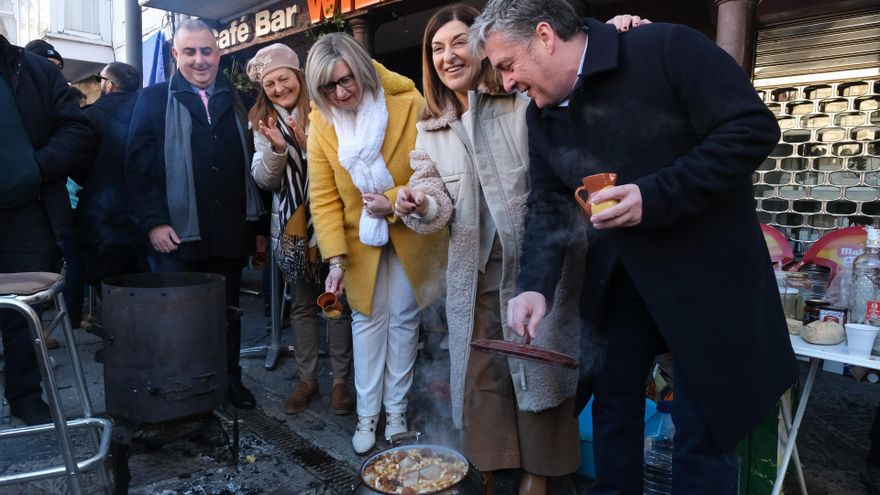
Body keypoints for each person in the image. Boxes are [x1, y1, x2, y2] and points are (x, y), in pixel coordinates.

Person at [471, 1, 799, 493]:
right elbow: (548, 204)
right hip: (618, 286)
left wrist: (653, 196)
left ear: (544, 36)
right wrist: (534, 285)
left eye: (507, 65)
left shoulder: (665, 48)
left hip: (706, 279)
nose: (507, 82)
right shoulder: (542, 117)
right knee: (613, 415)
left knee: (703, 432)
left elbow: (751, 128)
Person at [395, 7, 648, 494]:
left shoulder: (523, 100)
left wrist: (618, 33)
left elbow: (557, 173)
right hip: (473, 269)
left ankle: (541, 473)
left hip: (536, 262)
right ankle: (490, 466)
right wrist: (420, 201)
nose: (449, 56)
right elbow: (433, 194)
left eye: (459, 42)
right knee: (481, 369)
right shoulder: (432, 127)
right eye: (437, 48)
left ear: (485, 48)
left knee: (538, 367)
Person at [304, 33, 447, 454]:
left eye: (346, 80)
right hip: (357, 240)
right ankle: (368, 415)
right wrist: (334, 260)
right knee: (366, 321)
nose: (340, 93)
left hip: (409, 230)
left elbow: (430, 173)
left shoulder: (408, 102)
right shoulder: (320, 121)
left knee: (403, 320)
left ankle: (396, 412)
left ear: (362, 70)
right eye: (328, 87)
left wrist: (391, 200)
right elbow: (323, 197)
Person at [126, 19, 267, 409]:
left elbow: (254, 167)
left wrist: (257, 227)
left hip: (229, 230)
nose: (199, 60)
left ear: (218, 54)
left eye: (206, 51)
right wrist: (153, 222)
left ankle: (230, 380)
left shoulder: (239, 99)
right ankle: (183, 391)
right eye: (190, 52)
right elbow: (137, 169)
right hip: (176, 235)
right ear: (176, 55)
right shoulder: (153, 99)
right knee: (178, 320)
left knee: (229, 314)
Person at [246, 43, 355, 417]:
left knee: (335, 303)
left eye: (283, 79)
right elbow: (264, 181)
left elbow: (348, 164)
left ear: (298, 76)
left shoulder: (326, 108)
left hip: (331, 221)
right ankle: (307, 380)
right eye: (270, 84)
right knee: (303, 305)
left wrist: (310, 147)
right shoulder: (261, 121)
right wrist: (276, 151)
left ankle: (340, 381)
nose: (279, 88)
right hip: (291, 229)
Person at [0, 34, 95, 424]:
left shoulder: (36, 71)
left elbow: (77, 130)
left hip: (28, 212)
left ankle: (24, 394)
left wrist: (36, 168)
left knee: (22, 313)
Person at [25, 39, 88, 332]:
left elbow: (75, 142)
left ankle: (34, 335)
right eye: (50, 66)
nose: (55, 74)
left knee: (43, 271)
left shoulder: (59, 108)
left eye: (59, 68)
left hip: (51, 204)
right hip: (19, 205)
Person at [77, 62, 149, 294]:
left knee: (108, 284)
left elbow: (77, 164)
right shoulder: (151, 111)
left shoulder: (90, 116)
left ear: (109, 85)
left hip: (102, 216)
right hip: (147, 213)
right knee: (144, 282)